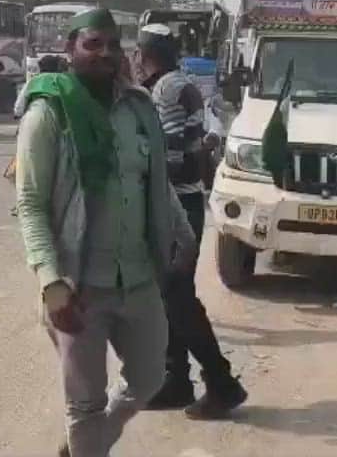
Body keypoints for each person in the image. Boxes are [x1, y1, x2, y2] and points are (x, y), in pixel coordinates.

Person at [14, 7, 195, 457]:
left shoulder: (138, 108)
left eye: (113, 44)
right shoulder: (48, 112)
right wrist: (51, 282)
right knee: (84, 404)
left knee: (151, 378)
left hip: (138, 278)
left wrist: (184, 233)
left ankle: (82, 447)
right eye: (93, 43)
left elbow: (154, 179)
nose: (105, 53)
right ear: (70, 49)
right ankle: (87, 444)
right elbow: (31, 203)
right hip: (79, 288)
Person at [137, 24, 247, 419]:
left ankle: (221, 382)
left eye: (137, 53)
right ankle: (176, 380)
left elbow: (172, 157)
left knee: (178, 299)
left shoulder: (165, 91)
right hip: (185, 202)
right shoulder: (182, 83)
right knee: (170, 298)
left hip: (176, 206)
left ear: (146, 54)